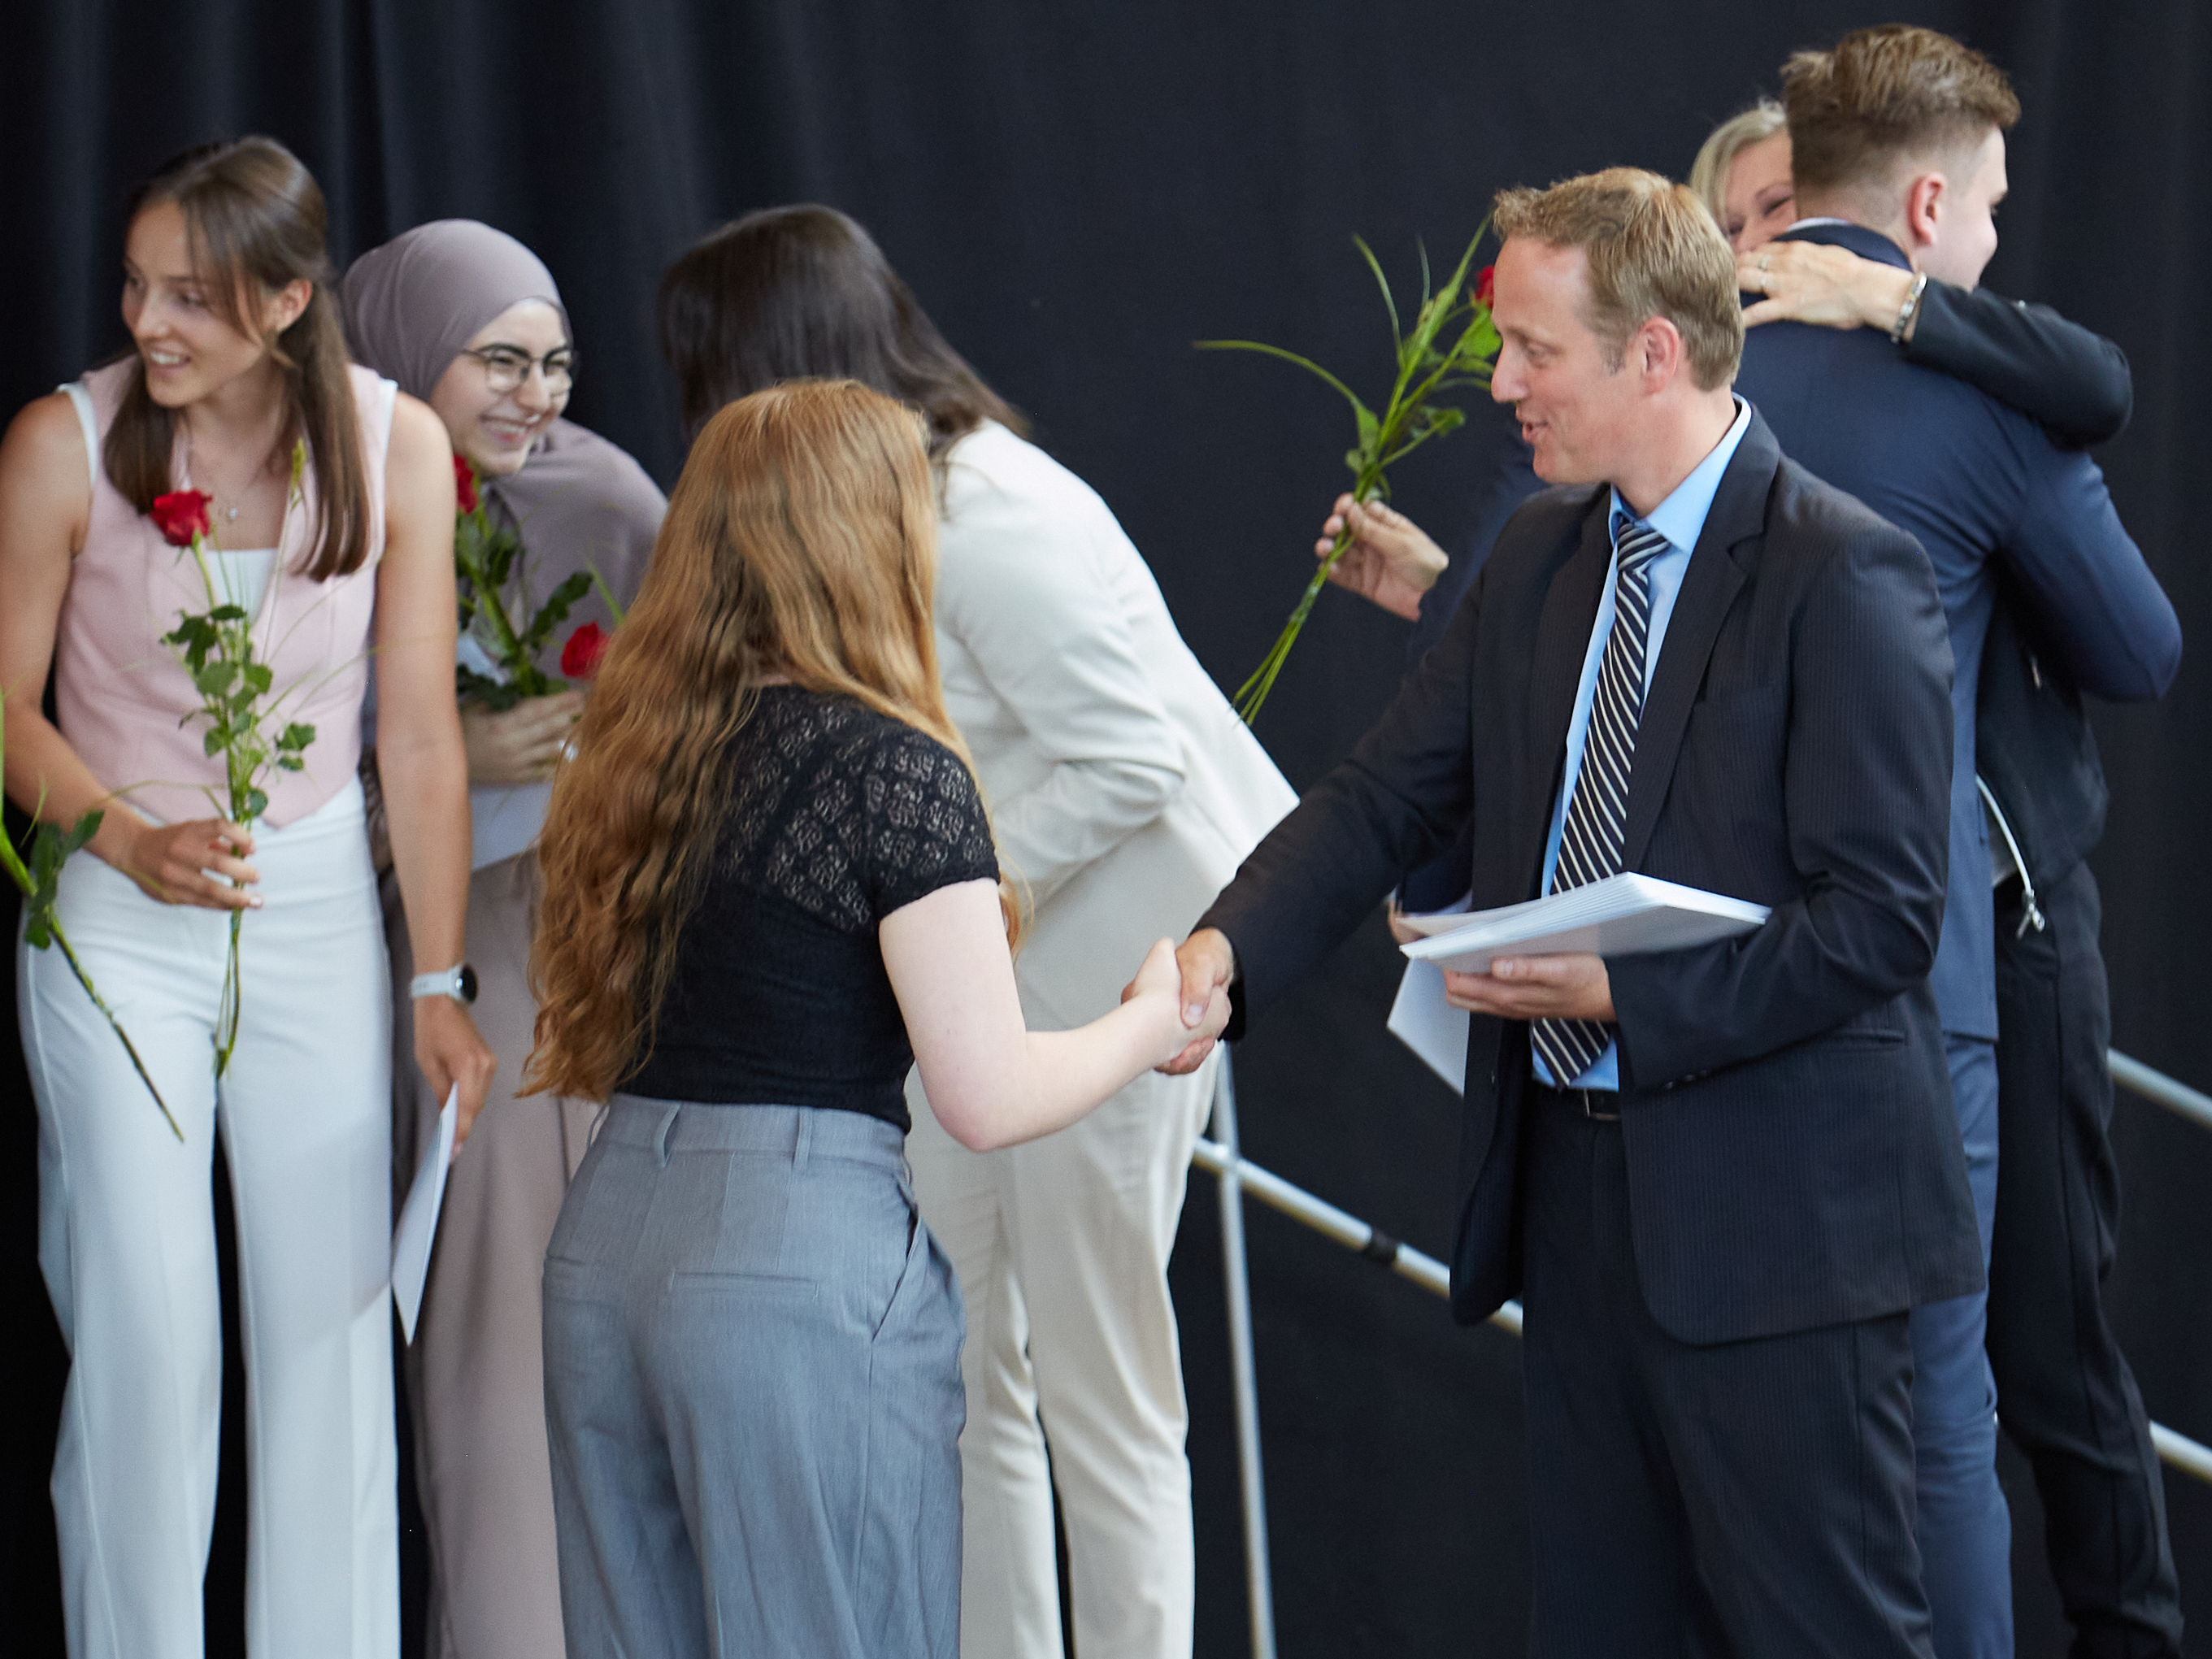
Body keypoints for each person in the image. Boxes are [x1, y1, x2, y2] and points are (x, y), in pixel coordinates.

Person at [1164, 167, 1984, 1656]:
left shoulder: (1844, 572)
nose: (1501, 383)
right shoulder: (1537, 557)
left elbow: (1881, 923)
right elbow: (1383, 796)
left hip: (1779, 1238)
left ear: (1652, 352)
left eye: (1534, 349)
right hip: (1576, 1206)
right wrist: (1221, 954)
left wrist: (1622, 992)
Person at [656, 205, 1297, 1659]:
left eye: (709, 375)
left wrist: (946, 890)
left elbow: (1129, 757)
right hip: (990, 986)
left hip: (1109, 975)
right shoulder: (890, 501)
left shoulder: (987, 507)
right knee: (956, 1372)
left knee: (1100, 1388)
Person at [522, 379, 1226, 1659]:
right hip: (789, 1262)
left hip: (604, 1240)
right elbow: (987, 1092)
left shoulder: (636, 753)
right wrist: (1154, 1017)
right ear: (876, 538)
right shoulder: (893, 771)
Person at [0, 137, 493, 1658]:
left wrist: (436, 982)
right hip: (118, 919)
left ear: (286, 303)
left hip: (319, 911)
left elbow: (419, 733)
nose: (148, 322)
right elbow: (4, 709)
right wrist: (122, 839)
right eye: (136, 285)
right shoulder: (61, 443)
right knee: (149, 1344)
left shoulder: (396, 445)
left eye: (190, 298)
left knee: (331, 1341)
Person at [340, 219, 666, 1659]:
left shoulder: (609, 498)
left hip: (591, 951)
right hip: (417, 958)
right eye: (500, 361)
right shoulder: (332, 507)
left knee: (613, 1345)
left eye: (557, 364)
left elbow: (700, 722)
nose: (537, 396)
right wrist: (449, 757)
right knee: (482, 1346)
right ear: (411, 354)